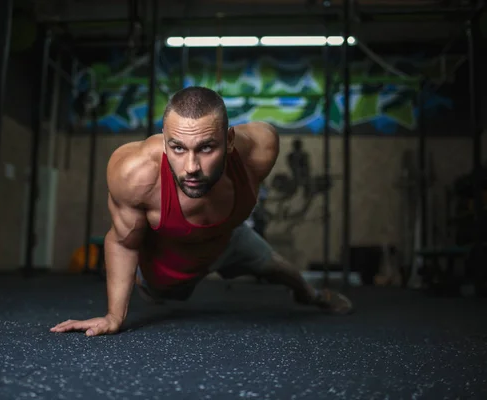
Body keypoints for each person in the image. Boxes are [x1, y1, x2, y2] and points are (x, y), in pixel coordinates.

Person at [51, 86, 353, 337]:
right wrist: (114, 316)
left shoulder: (260, 150)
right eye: (178, 148)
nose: (192, 167)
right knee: (157, 295)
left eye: (207, 148)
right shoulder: (135, 174)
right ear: (165, 142)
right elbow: (122, 241)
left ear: (230, 141)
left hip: (228, 238)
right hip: (167, 265)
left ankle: (309, 295)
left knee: (283, 270)